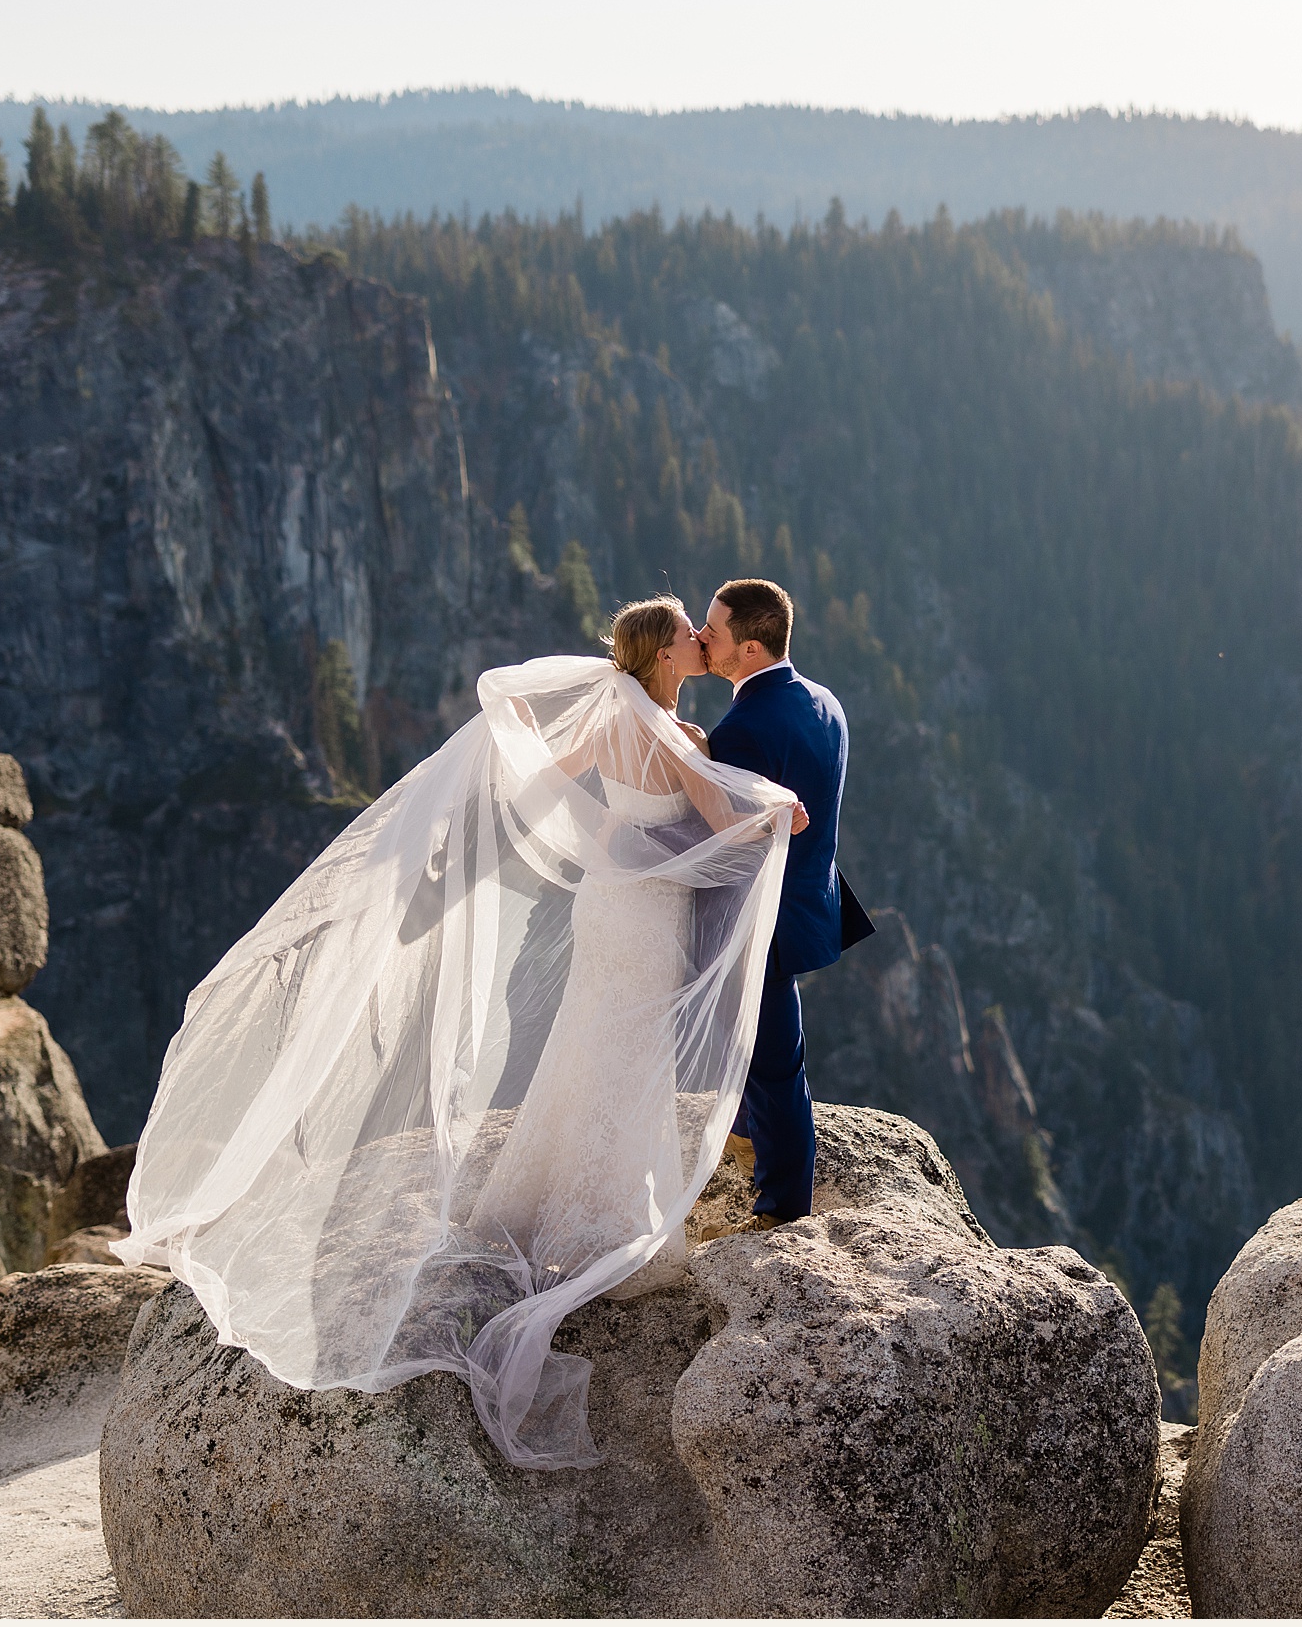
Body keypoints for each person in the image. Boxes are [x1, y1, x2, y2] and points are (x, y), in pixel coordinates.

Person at [115, 596, 804, 1471]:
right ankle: (609, 1215)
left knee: (589, 1039)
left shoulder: (615, 717)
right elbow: (718, 813)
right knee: (633, 1053)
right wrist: (777, 806)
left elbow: (544, 767)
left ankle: (538, 1189)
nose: (697, 641)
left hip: (606, 901)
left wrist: (594, 827)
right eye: (686, 634)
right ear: (665, 655)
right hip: (650, 911)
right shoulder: (674, 734)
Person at [698, 578, 871, 1227]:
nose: (702, 637)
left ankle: (782, 1209)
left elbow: (729, 840)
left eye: (713, 630)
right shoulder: (826, 703)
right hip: (812, 898)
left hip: (763, 916)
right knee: (756, 1046)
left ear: (747, 648)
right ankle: (745, 1132)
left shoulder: (742, 729)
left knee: (777, 1064)